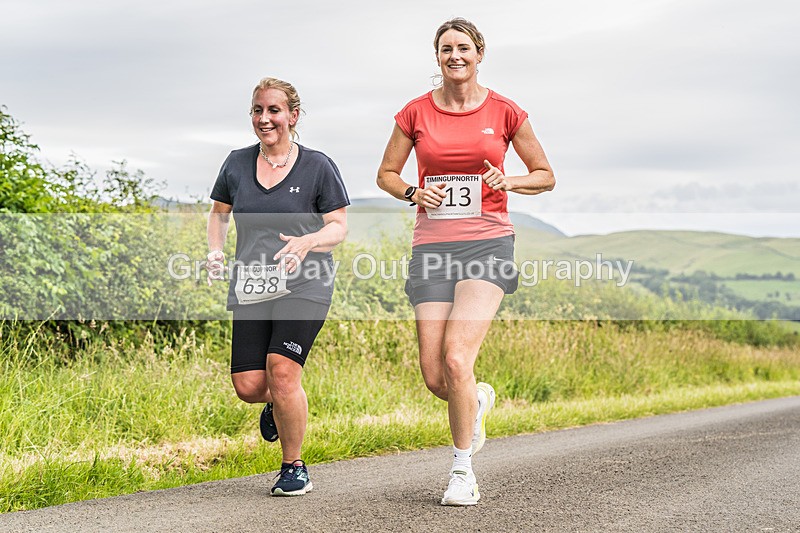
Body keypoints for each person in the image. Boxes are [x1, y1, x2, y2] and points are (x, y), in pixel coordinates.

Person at [376, 18, 555, 506]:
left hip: (487, 244)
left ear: (479, 54)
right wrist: (415, 191)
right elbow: (386, 174)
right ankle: (475, 399)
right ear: (436, 57)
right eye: (445, 49)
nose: (454, 55)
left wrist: (509, 181)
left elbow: (545, 175)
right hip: (431, 246)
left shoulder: (505, 111)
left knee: (458, 358)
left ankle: (462, 472)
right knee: (438, 376)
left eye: (463, 48)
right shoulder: (414, 113)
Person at [206, 77, 349, 496]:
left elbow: (338, 227)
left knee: (283, 372)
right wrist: (216, 251)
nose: (265, 119)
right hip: (252, 282)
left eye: (273, 110)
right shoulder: (235, 163)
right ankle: (279, 403)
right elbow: (219, 215)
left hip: (306, 282)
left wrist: (308, 241)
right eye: (257, 110)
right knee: (250, 386)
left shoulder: (317, 165)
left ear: (293, 116)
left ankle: (294, 467)